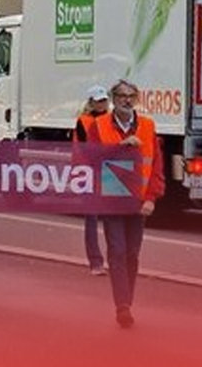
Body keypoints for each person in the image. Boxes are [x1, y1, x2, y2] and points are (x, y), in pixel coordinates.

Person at [84, 79, 166, 329]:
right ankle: (122, 306)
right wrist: (119, 148)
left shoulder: (148, 126)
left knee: (132, 253)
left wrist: (151, 198)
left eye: (131, 96)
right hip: (112, 200)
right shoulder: (99, 126)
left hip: (138, 201)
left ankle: (126, 300)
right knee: (117, 250)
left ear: (137, 99)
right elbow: (89, 159)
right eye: (121, 96)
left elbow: (157, 167)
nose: (127, 100)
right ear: (113, 99)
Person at [75, 85, 111, 276]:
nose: (102, 104)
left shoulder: (112, 121)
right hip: (90, 173)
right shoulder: (84, 121)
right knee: (92, 218)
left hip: (109, 173)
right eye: (98, 101)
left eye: (104, 100)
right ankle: (95, 262)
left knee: (114, 219)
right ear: (90, 102)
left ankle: (115, 260)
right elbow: (84, 150)